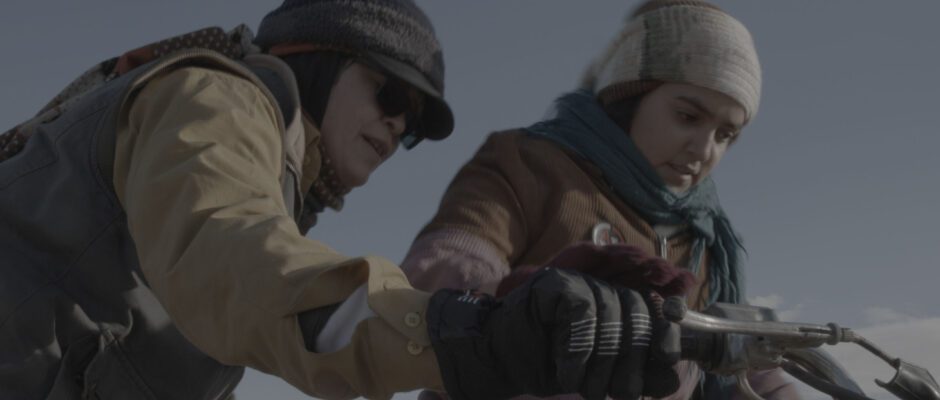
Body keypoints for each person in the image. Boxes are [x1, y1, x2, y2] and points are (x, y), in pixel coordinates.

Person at [0, 1, 680, 399]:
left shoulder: (275, 190)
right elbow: (235, 263)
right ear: (311, 57)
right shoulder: (217, 100)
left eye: (412, 127)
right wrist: (461, 329)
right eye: (390, 95)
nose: (397, 126)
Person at [401, 1, 801, 399]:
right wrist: (522, 309)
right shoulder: (528, 164)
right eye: (687, 116)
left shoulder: (706, 238)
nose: (703, 149)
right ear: (631, 96)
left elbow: (740, 357)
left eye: (725, 135)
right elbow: (444, 269)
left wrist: (777, 387)